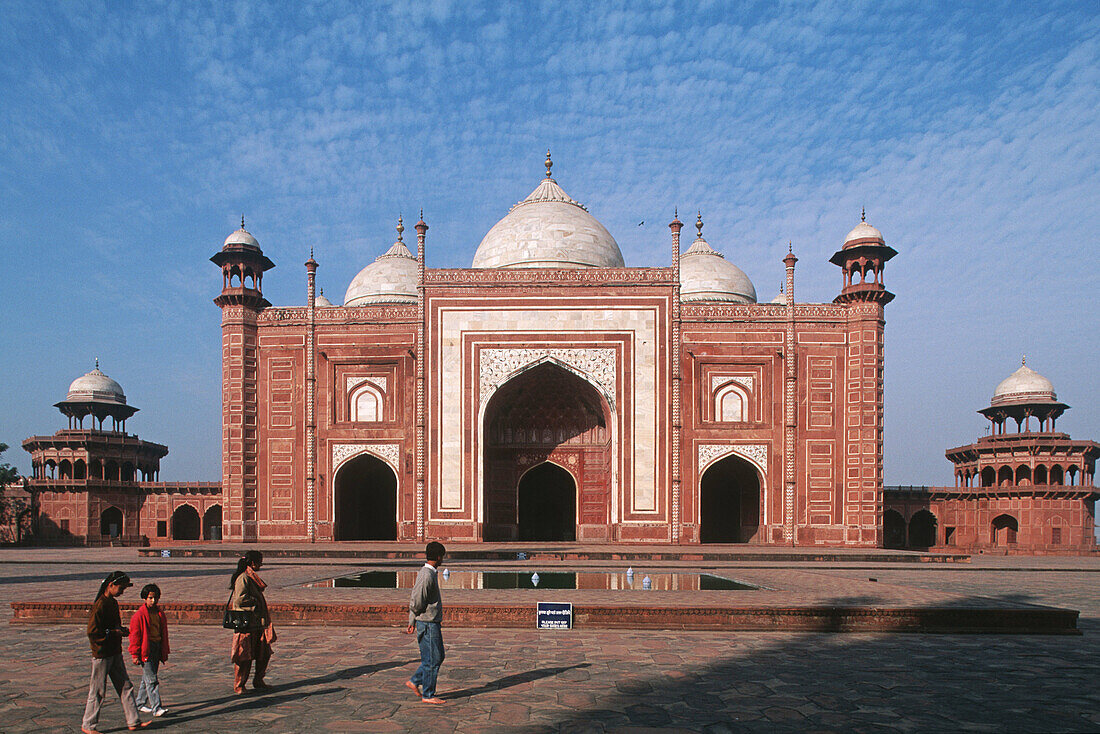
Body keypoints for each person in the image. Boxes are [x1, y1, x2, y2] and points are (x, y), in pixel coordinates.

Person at [82, 570, 151, 733]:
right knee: (98, 690)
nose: (121, 592)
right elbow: (93, 631)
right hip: (102, 653)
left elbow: (111, 626)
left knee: (125, 686)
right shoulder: (100, 605)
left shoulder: (112, 602)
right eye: (120, 588)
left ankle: (133, 720)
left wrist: (120, 630)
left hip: (114, 651)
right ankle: (88, 724)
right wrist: (114, 633)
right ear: (110, 585)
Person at [406, 541, 446, 704]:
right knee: (432, 659)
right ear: (438, 557)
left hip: (431, 622)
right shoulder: (426, 575)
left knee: (437, 656)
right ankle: (428, 694)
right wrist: (413, 619)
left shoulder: (430, 573)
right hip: (427, 622)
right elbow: (416, 600)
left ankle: (415, 681)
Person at [229, 550, 275, 694]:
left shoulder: (251, 577)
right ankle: (239, 685)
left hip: (258, 623)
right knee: (244, 655)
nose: (261, 564)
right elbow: (239, 600)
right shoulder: (243, 578)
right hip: (247, 624)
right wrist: (255, 602)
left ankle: (258, 680)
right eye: (259, 561)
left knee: (264, 653)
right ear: (253, 563)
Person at [128, 584, 170, 717]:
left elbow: (163, 632)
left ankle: (140, 703)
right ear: (145, 598)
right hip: (145, 649)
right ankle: (156, 707)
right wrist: (135, 654)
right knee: (152, 679)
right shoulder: (139, 616)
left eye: (155, 598)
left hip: (156, 646)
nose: (153, 601)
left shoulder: (159, 614)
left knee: (147, 677)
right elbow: (134, 636)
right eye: (150, 598)